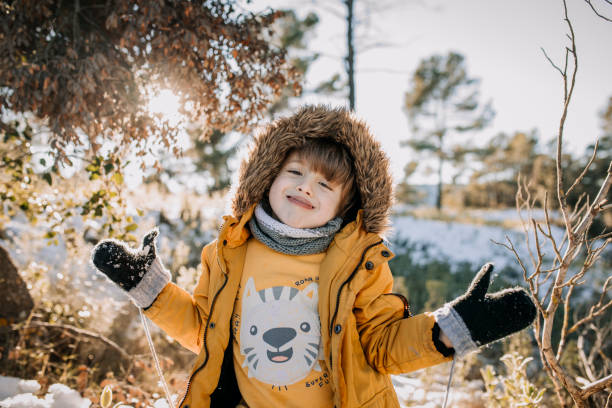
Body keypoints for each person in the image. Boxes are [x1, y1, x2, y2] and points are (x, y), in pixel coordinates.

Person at [91, 105, 536, 408]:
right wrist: (151, 290)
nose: (306, 187)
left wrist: (449, 331)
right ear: (267, 178)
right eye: (296, 173)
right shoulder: (229, 253)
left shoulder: (359, 265)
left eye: (325, 185)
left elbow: (380, 346)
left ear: (345, 206)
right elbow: (206, 332)